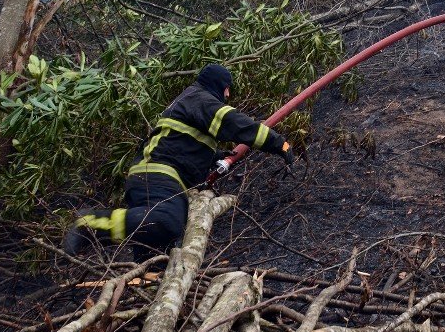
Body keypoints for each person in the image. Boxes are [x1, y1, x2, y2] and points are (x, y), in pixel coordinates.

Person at [64, 64, 294, 257]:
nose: (228, 96)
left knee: (154, 249)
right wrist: (279, 143)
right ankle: (91, 223)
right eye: (227, 90)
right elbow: (236, 124)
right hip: (158, 177)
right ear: (220, 86)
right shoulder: (201, 99)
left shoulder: (190, 100)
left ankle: (150, 287)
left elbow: (179, 142)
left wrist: (211, 157)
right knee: (167, 222)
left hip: (150, 176)